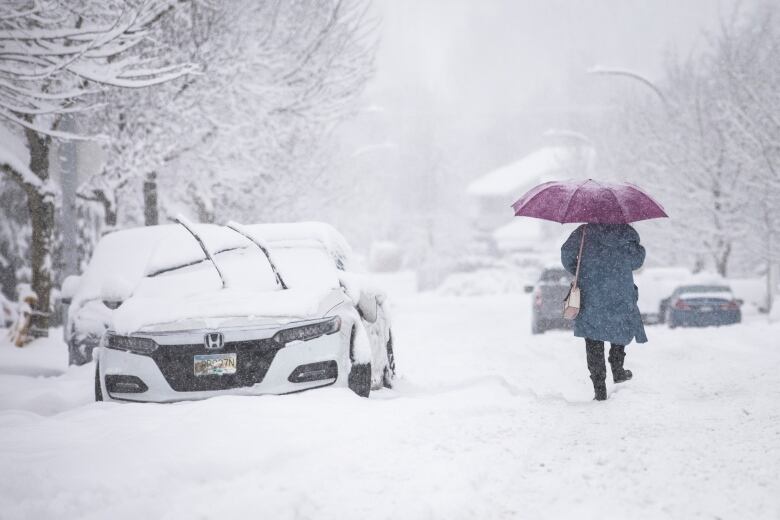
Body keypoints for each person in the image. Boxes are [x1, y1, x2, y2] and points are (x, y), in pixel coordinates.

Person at [561, 223, 647, 401]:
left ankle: (599, 388)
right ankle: (617, 368)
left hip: (591, 288)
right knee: (619, 327)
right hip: (619, 289)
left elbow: (566, 253)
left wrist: (582, 267)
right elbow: (637, 261)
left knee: (593, 338)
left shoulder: (583, 231)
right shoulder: (626, 231)